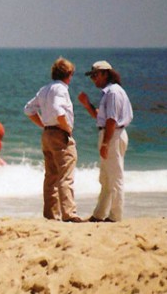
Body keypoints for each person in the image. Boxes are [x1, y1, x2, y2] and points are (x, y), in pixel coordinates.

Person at [24, 57, 83, 223]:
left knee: (51, 176)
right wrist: (67, 128)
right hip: (59, 133)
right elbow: (59, 110)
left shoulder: (44, 89)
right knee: (66, 174)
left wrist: (43, 125)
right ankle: (69, 213)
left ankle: (51, 214)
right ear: (69, 74)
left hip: (47, 133)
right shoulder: (61, 89)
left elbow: (28, 109)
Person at [78, 61, 133, 223]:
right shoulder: (109, 92)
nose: (93, 79)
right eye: (92, 76)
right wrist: (87, 105)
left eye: (95, 75)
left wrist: (105, 143)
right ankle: (100, 214)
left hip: (113, 135)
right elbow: (102, 118)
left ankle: (115, 216)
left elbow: (111, 120)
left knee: (115, 178)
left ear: (105, 74)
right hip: (111, 134)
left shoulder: (113, 93)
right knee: (106, 178)